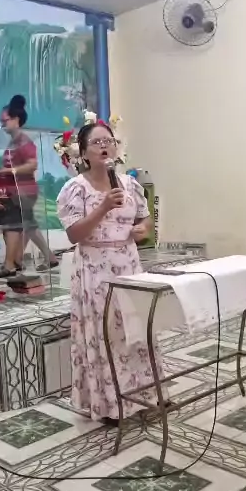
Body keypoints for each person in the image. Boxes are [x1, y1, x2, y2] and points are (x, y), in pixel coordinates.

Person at [56, 120, 157, 422]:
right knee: (105, 334)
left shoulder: (129, 184)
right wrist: (102, 208)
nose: (104, 146)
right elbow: (74, 234)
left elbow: (145, 218)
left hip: (129, 264)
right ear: (83, 153)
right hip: (95, 270)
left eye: (108, 141)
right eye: (97, 142)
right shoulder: (75, 188)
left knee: (136, 329)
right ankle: (109, 405)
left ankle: (146, 395)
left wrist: (142, 229)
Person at [0, 96, 58, 276]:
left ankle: (17, 260)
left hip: (25, 191)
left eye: (5, 121)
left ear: (16, 120)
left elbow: (32, 164)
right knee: (29, 225)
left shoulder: (25, 142)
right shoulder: (12, 142)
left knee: (26, 225)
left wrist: (10, 171)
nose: (2, 125)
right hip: (16, 191)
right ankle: (41, 258)